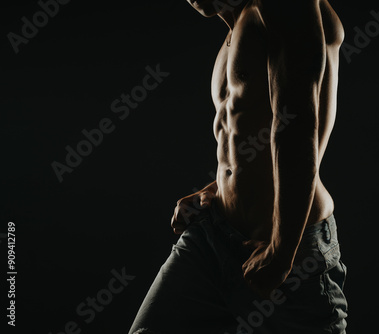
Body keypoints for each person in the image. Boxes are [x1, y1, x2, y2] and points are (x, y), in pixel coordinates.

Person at [129, 0, 347, 333]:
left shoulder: (283, 7)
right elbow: (248, 135)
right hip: (214, 234)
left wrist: (281, 253)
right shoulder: (235, 31)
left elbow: (297, 128)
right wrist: (215, 190)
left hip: (286, 244)